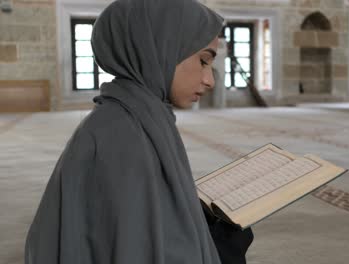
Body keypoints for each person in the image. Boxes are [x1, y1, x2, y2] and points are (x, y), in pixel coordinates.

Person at [24, 0, 253, 263]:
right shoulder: (122, 137)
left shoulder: (142, 117)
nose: (209, 80)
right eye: (203, 61)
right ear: (159, 50)